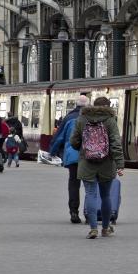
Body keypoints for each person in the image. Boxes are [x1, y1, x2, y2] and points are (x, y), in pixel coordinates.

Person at [70, 96, 124, 239]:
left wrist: (83, 147)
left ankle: (93, 229)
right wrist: (120, 164)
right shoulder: (110, 120)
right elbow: (116, 143)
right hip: (107, 163)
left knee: (90, 194)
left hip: (87, 163)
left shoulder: (82, 119)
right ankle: (105, 229)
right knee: (105, 196)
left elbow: (74, 141)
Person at [49, 95, 90, 224]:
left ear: (76, 105)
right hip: (91, 155)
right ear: (88, 105)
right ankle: (90, 213)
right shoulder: (92, 118)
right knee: (90, 186)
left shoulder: (68, 118)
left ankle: (74, 212)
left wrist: (52, 152)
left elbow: (59, 137)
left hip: (73, 156)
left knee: (74, 184)